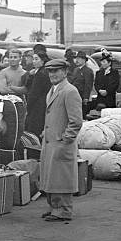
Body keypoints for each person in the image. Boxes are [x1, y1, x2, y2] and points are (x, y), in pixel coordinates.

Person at [39, 59, 83, 222]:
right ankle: (54, 207)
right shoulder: (53, 90)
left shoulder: (70, 91)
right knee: (52, 176)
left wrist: (66, 139)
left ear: (65, 72)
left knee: (61, 177)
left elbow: (76, 121)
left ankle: (64, 210)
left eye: (56, 71)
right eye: (50, 71)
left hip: (61, 142)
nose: (52, 74)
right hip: (51, 141)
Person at [23, 51, 52, 137]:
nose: (34, 61)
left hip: (38, 104)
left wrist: (28, 105)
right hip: (41, 103)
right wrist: (31, 75)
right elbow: (28, 86)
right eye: (33, 59)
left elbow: (34, 92)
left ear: (42, 61)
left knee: (34, 128)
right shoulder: (38, 72)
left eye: (36, 59)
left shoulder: (41, 74)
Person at [70, 51, 95, 117]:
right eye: (76, 58)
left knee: (81, 115)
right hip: (74, 95)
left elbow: (88, 85)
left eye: (79, 58)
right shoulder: (75, 70)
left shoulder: (88, 71)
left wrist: (86, 97)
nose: (77, 60)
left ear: (84, 60)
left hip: (82, 96)